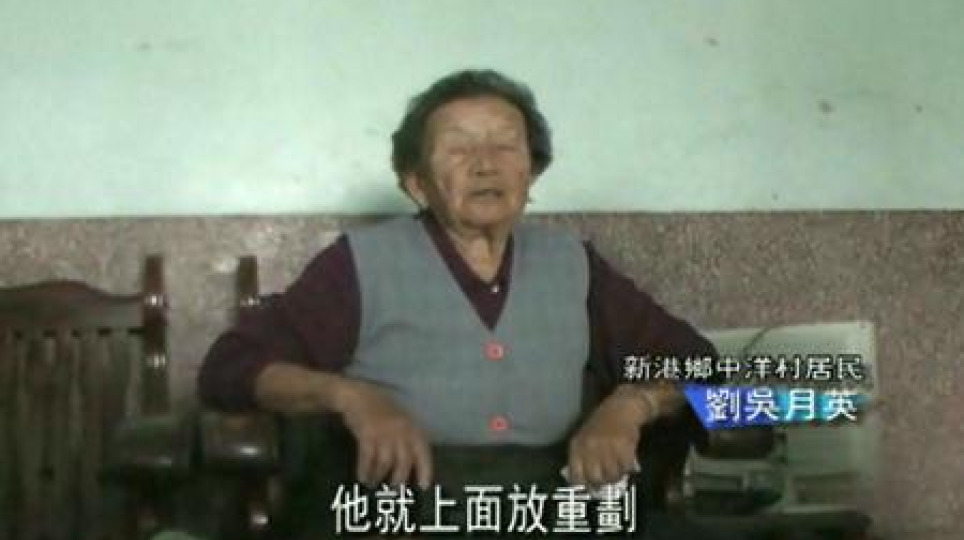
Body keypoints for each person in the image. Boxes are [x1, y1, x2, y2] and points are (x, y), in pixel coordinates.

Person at [199, 69, 731, 539]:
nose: (486, 165)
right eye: (458, 148)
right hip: (402, 506)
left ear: (531, 175)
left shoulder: (572, 262)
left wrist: (632, 404)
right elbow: (232, 366)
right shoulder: (360, 263)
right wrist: (351, 396)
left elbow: (695, 362)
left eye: (506, 146)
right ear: (417, 183)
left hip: (549, 507)